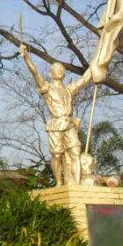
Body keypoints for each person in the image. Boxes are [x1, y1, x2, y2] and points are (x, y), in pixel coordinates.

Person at [19, 43, 92, 185]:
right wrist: (27, 57)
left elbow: (84, 80)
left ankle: (76, 185)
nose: (61, 71)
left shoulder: (69, 89)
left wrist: (94, 65)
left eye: (62, 69)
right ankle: (59, 182)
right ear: (51, 73)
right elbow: (35, 73)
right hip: (56, 125)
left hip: (69, 124)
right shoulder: (47, 88)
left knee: (76, 153)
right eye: (57, 69)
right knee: (57, 155)